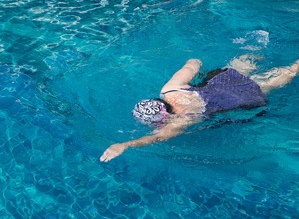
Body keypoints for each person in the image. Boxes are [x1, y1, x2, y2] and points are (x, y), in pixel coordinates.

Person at [100, 55, 299, 162]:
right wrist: (193, 62)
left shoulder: (182, 119)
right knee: (244, 62)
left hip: (237, 98)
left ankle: (295, 67)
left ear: (162, 118)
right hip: (223, 77)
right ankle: (257, 54)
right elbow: (193, 64)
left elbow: (156, 138)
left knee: (277, 79)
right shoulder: (170, 89)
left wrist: (125, 144)